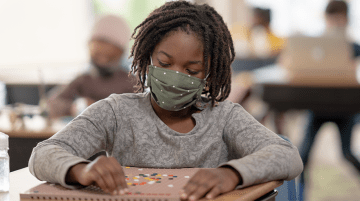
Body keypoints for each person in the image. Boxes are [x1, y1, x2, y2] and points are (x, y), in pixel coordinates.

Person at [28, 1, 303, 200]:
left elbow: (287, 155)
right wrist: (81, 170)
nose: (175, 77)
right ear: (147, 58)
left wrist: (231, 174)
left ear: (209, 74)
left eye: (191, 71)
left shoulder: (225, 117)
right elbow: (42, 154)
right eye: (164, 63)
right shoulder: (116, 112)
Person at [298, 1, 360, 200]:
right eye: (331, 19)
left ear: (347, 20)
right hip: (317, 107)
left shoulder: (354, 46)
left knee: (347, 153)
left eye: (339, 19)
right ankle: (299, 194)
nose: (335, 24)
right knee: (303, 156)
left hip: (344, 109)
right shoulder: (317, 47)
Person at [47, 15, 136, 119]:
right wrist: (74, 107)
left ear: (121, 53)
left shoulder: (131, 82)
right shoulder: (83, 80)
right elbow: (50, 104)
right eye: (97, 53)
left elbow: (146, 111)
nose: (102, 61)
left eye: (109, 55)